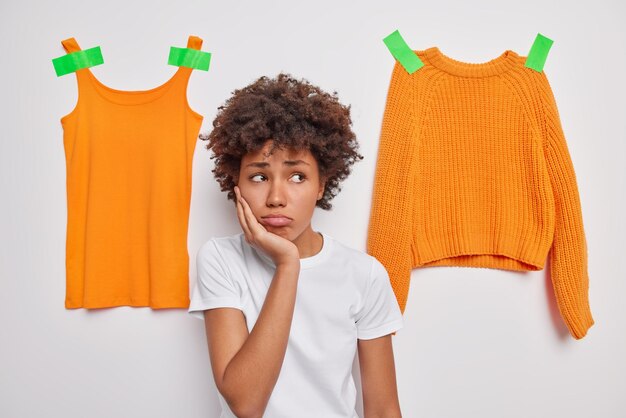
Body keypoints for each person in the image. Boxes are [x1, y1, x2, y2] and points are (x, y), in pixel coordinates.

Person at [188, 73, 404, 418]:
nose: (276, 198)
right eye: (259, 176)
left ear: (322, 185)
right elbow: (246, 403)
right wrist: (288, 265)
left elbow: (383, 409)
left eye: (297, 176)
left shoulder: (364, 275)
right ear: (237, 185)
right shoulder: (221, 259)